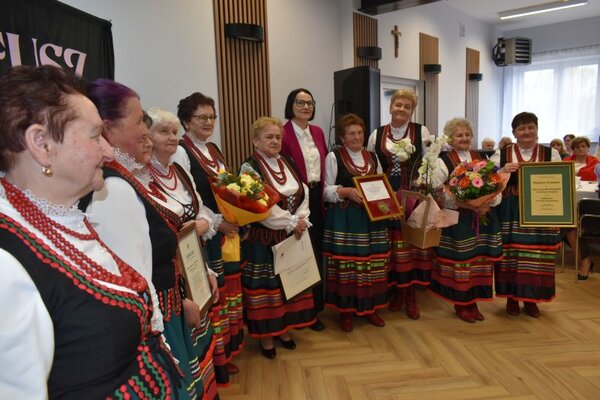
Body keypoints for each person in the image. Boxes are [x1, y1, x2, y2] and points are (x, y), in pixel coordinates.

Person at [0, 65, 176, 398]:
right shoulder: (6, 264)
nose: (108, 151)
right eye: (96, 136)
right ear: (41, 143)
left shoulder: (61, 219)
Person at [83, 79, 219, 399]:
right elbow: (135, 276)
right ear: (109, 129)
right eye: (138, 121)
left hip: (168, 305)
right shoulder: (113, 188)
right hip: (158, 317)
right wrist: (173, 309)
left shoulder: (127, 179)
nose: (145, 130)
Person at [173, 92, 244, 384]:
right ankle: (216, 360)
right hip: (205, 234)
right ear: (186, 121)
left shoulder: (213, 149)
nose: (208, 122)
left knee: (226, 294)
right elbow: (191, 197)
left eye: (212, 117)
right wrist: (217, 222)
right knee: (212, 296)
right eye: (201, 117)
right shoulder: (181, 152)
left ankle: (227, 351)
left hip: (223, 231)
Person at [240, 116, 316, 359]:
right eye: (268, 137)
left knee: (287, 285)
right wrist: (291, 222)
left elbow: (303, 192)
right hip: (264, 239)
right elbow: (262, 208)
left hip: (291, 235)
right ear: (255, 141)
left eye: (277, 137)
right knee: (267, 290)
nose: (275, 141)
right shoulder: (249, 167)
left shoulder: (287, 161)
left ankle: (284, 330)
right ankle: (266, 337)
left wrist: (301, 219)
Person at [425, 118, 502, 323]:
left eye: (467, 134)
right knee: (461, 263)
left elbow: (496, 184)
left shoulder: (482, 158)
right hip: (458, 221)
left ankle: (474, 301)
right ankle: (461, 303)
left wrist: (488, 202)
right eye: (459, 135)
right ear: (450, 138)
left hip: (483, 217)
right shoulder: (443, 161)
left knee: (479, 262)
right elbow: (436, 189)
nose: (464, 138)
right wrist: (463, 203)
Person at [367, 89, 432, 320]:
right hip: (384, 193)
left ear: (412, 111)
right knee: (391, 245)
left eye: (407, 106)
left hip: (411, 192)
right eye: (398, 105)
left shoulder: (421, 131)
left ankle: (410, 295)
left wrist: (421, 183)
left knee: (410, 243)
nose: (401, 109)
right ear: (390, 107)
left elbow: (429, 162)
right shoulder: (377, 134)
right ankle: (396, 291)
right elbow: (370, 163)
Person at [491, 112, 562, 318]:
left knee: (537, 255)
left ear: (537, 129)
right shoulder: (501, 154)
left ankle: (532, 299)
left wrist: (558, 215)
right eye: (521, 128)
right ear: (514, 133)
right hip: (509, 210)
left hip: (541, 210)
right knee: (510, 254)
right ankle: (511, 298)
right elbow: (488, 181)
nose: (526, 132)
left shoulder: (551, 154)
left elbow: (560, 183)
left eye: (531, 127)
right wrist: (503, 170)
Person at [323, 114, 390, 331]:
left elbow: (381, 185)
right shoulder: (334, 156)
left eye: (360, 132)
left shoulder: (373, 157)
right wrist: (346, 191)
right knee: (348, 265)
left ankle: (370, 308)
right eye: (351, 133)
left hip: (372, 219)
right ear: (342, 137)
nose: (357, 137)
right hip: (346, 219)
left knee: (372, 264)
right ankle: (346, 312)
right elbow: (325, 190)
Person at [280, 88, 327, 331]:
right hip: (295, 201)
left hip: (317, 198)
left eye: (309, 103)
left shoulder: (317, 132)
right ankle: (299, 312)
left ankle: (315, 309)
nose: (306, 106)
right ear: (291, 105)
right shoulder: (282, 133)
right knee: (298, 254)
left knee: (315, 252)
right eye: (300, 102)